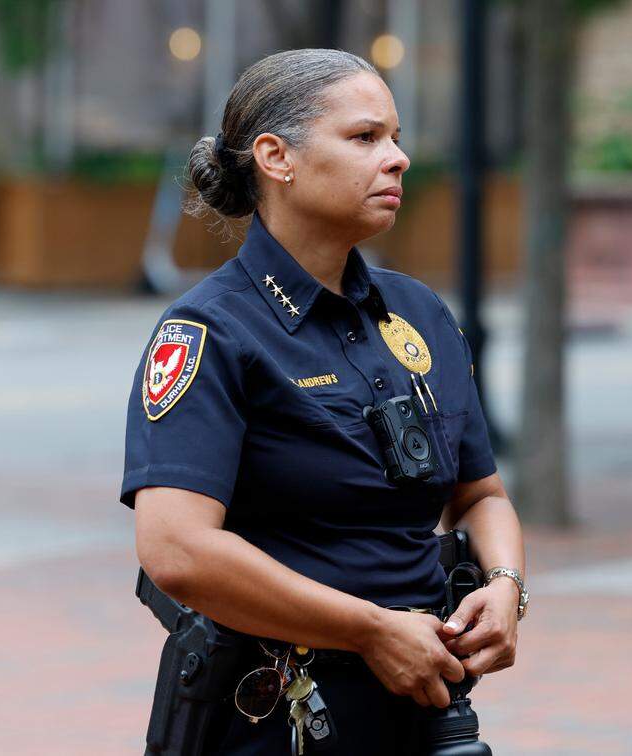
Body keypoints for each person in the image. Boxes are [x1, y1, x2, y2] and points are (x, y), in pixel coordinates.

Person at [124, 49, 528, 754]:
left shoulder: (420, 313)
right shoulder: (212, 331)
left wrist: (504, 586)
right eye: (366, 137)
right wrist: (369, 629)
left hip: (425, 708)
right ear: (277, 158)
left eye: (396, 137)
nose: (398, 158)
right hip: (278, 716)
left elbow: (481, 494)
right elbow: (177, 549)